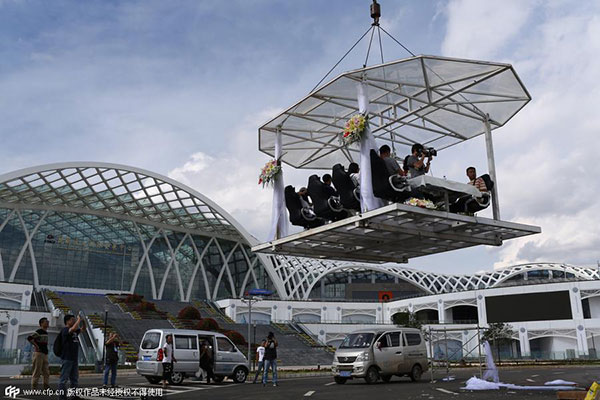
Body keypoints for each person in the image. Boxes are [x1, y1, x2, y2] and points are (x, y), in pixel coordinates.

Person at [58, 314, 86, 400]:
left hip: (74, 358)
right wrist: (78, 320)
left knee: (74, 378)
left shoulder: (74, 332)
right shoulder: (65, 330)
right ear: (67, 321)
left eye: (74, 320)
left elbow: (83, 329)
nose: (74, 321)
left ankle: (74, 395)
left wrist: (83, 321)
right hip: (67, 357)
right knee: (63, 379)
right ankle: (62, 397)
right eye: (72, 320)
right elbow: (73, 328)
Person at [27, 317, 50, 390]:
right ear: (41, 323)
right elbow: (29, 338)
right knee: (37, 371)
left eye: (47, 321)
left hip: (44, 353)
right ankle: (34, 388)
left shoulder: (45, 332)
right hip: (39, 353)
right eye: (46, 322)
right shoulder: (39, 331)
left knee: (46, 372)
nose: (47, 323)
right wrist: (36, 346)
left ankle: (46, 387)